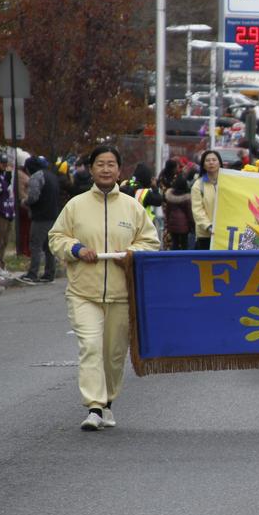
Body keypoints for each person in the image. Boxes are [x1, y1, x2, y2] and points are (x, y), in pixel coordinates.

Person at [48, 145, 160, 431]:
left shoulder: (133, 207)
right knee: (90, 346)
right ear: (91, 169)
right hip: (83, 292)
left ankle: (108, 402)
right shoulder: (76, 205)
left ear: (119, 170)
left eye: (111, 164)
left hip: (122, 295)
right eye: (100, 164)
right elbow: (56, 238)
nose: (106, 169)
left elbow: (150, 242)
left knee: (113, 354)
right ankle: (94, 407)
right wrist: (76, 248)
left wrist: (131, 253)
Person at [20, 155, 61, 283]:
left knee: (35, 245)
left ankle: (32, 273)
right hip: (53, 214)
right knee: (49, 246)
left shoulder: (36, 177)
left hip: (40, 216)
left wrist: (24, 201)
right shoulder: (52, 176)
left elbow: (33, 197)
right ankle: (49, 273)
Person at [191, 149, 222, 250]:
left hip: (225, 233)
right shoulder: (198, 185)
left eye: (214, 160)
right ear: (203, 165)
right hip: (205, 235)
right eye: (208, 160)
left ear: (219, 163)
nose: (211, 162)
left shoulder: (227, 182)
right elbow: (197, 210)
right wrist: (208, 227)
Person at [164, 173, 193, 251]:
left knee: (175, 243)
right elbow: (189, 213)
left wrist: (167, 223)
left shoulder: (170, 197)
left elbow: (167, 211)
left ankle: (174, 260)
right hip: (184, 225)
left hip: (172, 224)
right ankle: (184, 260)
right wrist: (192, 225)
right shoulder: (187, 198)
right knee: (184, 244)